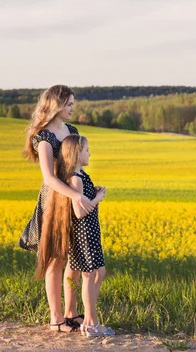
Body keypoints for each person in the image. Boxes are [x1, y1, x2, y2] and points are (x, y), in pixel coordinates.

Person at [19, 85, 95, 332]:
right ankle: (56, 319)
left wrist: (87, 189)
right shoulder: (44, 137)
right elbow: (49, 178)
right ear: (57, 105)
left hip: (73, 197)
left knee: (73, 259)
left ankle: (72, 314)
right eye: (70, 103)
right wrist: (75, 194)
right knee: (56, 259)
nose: (74, 108)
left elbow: (76, 163)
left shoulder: (71, 130)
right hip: (55, 201)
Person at [36, 134, 114, 337]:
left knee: (99, 273)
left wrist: (94, 191)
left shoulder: (82, 175)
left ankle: (89, 318)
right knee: (90, 276)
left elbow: (83, 198)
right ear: (77, 154)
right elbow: (79, 212)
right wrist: (97, 198)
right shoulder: (75, 178)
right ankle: (91, 324)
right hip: (84, 234)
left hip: (91, 233)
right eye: (87, 150)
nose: (90, 153)